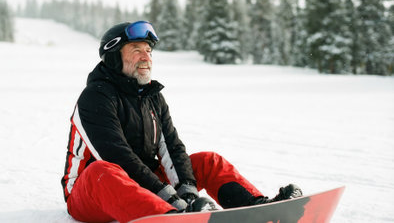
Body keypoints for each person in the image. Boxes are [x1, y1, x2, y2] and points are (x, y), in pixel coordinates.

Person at [61, 21, 302, 223]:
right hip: (90, 191)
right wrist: (168, 197)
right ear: (113, 57)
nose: (146, 56)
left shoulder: (152, 96)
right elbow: (115, 155)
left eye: (149, 50)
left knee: (208, 161)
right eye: (136, 49)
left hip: (142, 184)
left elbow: (171, 147)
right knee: (103, 170)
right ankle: (172, 218)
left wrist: (186, 189)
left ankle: (257, 210)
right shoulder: (95, 97)